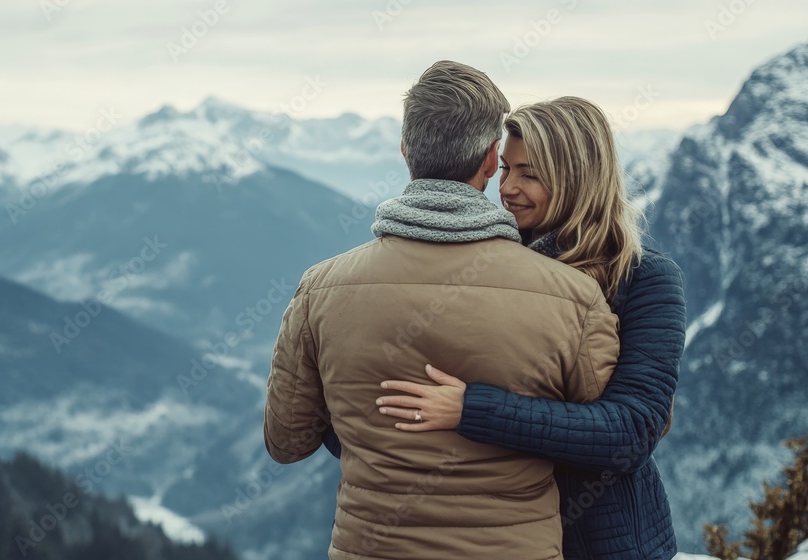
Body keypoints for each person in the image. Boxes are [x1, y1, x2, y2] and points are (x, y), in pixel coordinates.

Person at [263, 61, 621, 560]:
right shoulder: (575, 298)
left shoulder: (319, 290)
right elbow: (612, 429)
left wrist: (372, 427)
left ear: (406, 150)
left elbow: (286, 441)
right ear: (492, 160)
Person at [372, 96, 687, 560]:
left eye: (530, 174)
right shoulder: (488, 265)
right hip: (498, 535)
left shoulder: (644, 278)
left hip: (604, 542)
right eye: (504, 170)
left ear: (578, 179)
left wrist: (472, 409)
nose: (508, 188)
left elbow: (631, 432)